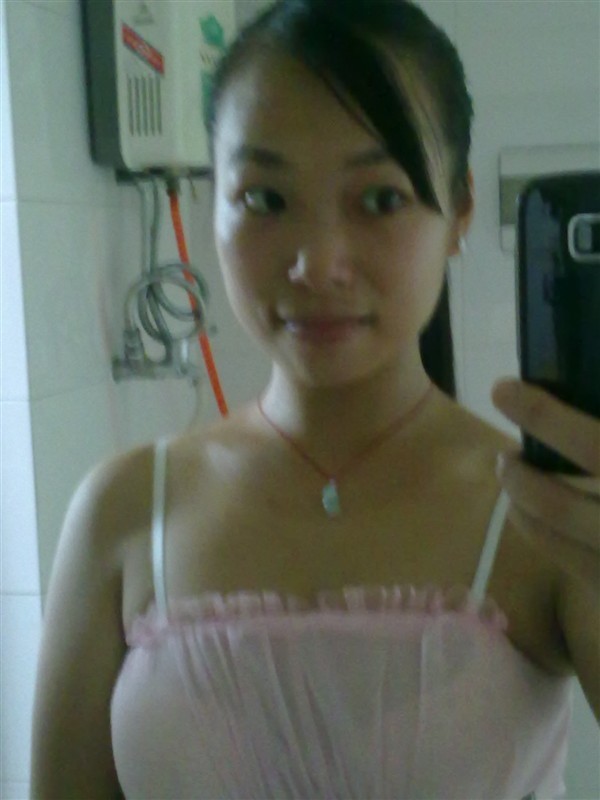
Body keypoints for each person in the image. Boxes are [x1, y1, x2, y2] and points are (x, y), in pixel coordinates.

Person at [31, 1, 599, 797]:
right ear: (213, 207)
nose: (317, 264)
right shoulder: (122, 514)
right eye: (265, 199)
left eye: (380, 199)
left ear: (459, 211)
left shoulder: (551, 516)